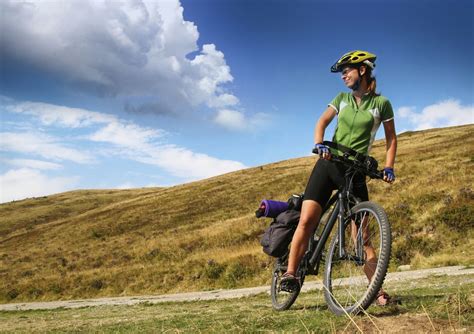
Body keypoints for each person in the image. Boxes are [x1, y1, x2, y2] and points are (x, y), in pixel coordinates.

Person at [281, 50, 398, 306]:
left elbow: (391, 138)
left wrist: (389, 167)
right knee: (308, 219)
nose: (344, 74)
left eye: (348, 69)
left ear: (363, 70)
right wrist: (319, 143)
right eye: (342, 71)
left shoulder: (381, 104)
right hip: (328, 164)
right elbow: (321, 121)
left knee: (362, 237)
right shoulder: (341, 98)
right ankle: (290, 273)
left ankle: (376, 290)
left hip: (355, 172)